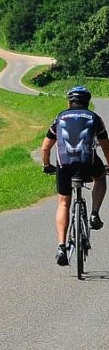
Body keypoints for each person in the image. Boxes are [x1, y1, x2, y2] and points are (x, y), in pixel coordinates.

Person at [41, 86, 109, 266]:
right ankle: (94, 213)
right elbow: (105, 146)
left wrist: (47, 165)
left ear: (69, 102)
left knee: (63, 203)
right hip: (88, 163)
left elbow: (45, 147)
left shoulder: (60, 117)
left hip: (64, 165)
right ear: (87, 102)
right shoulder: (94, 118)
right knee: (100, 178)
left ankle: (62, 246)